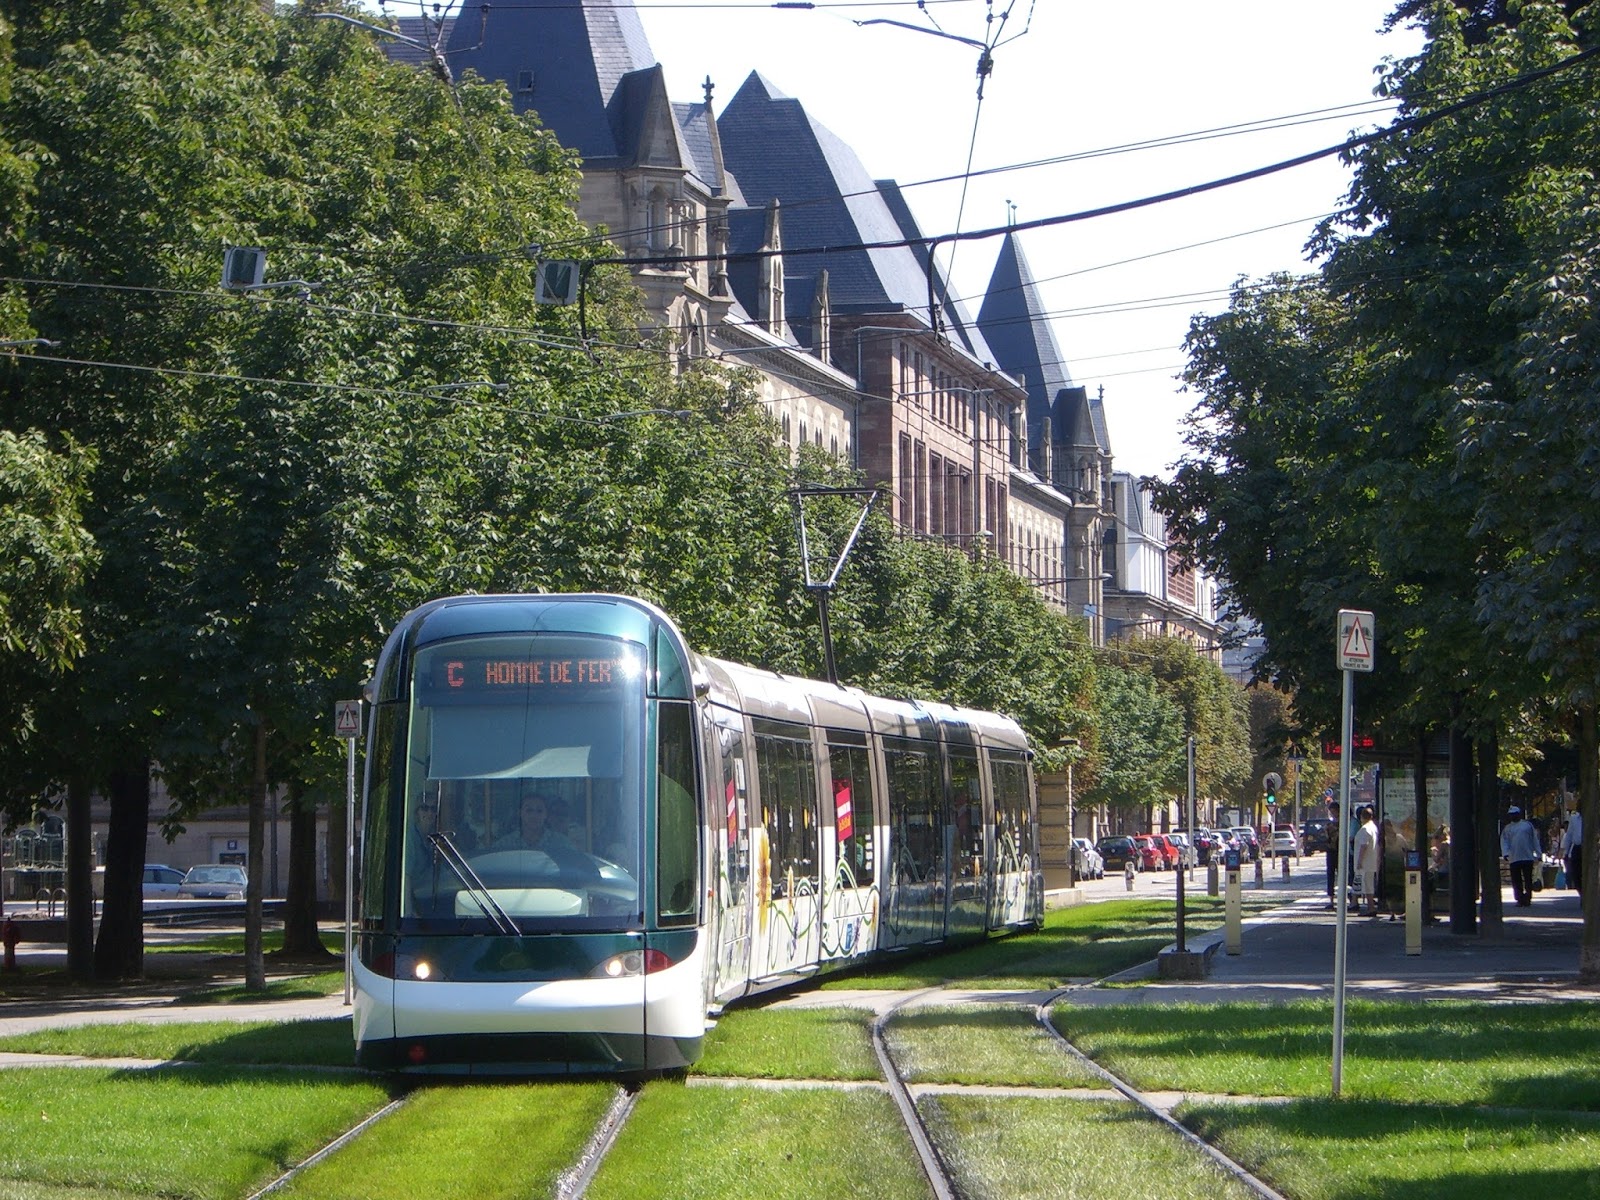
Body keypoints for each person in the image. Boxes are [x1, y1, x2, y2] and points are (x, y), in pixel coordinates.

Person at [1500, 805, 1541, 908]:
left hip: (1527, 857)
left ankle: (1527, 897)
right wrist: (1505, 853)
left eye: (1514, 814)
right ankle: (1519, 898)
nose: (1512, 816)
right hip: (1514, 857)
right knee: (1516, 880)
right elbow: (1504, 841)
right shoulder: (1508, 828)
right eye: (1511, 815)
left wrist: (1538, 853)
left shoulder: (1527, 826)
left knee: (1528, 879)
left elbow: (1534, 840)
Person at [1353, 806, 1380, 917]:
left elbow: (1364, 845)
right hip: (1371, 861)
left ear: (1361, 817)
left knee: (1364, 884)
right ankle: (1369, 906)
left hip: (1364, 862)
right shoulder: (1373, 827)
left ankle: (1370, 907)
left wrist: (1359, 860)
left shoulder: (1365, 829)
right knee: (1368, 885)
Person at [1562, 808, 1584, 898]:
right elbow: (1569, 835)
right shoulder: (1574, 819)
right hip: (1577, 848)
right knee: (1575, 873)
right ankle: (1582, 893)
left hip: (1589, 847)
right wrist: (1566, 853)